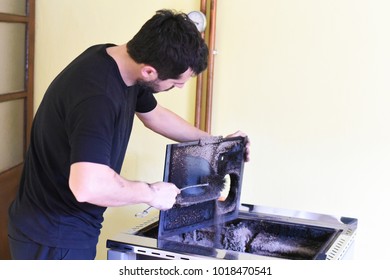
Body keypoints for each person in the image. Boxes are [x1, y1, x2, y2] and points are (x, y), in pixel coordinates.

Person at [8, 9, 250, 260]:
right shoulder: (97, 98)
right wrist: (153, 193)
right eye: (176, 83)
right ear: (149, 72)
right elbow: (88, 186)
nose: (178, 88)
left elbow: (156, 116)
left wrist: (218, 144)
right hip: (53, 234)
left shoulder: (117, 62)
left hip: (64, 225)